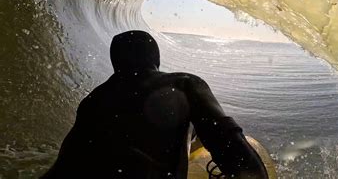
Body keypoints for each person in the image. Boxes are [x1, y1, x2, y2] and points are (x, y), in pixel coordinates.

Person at [42, 30, 268, 179]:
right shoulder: (184, 83)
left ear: (115, 63)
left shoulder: (94, 101)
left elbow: (65, 165)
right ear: (156, 59)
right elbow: (228, 143)